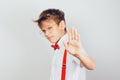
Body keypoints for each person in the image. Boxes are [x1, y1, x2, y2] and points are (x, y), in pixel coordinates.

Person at [34, 8, 95, 80]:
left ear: (62, 25)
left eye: (49, 28)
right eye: (44, 31)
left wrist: (79, 53)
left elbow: (92, 65)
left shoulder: (71, 45)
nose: (46, 34)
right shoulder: (58, 47)